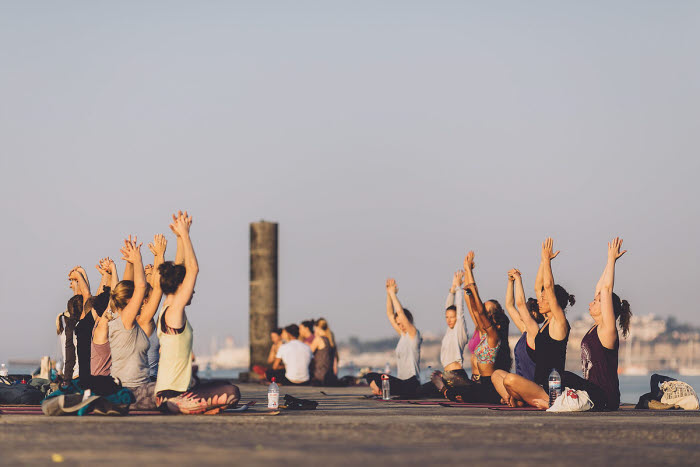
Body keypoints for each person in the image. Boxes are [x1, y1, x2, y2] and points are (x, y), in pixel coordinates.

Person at [155, 211, 240, 414]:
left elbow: (181, 267)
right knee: (232, 392)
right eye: (188, 288)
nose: (192, 291)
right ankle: (184, 406)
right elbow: (192, 269)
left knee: (226, 386)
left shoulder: (167, 306)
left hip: (169, 392)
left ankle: (195, 406)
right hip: (173, 395)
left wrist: (179, 237)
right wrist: (185, 235)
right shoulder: (174, 310)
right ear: (180, 287)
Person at [557, 238, 630, 410]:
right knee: (557, 377)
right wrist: (608, 262)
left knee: (562, 376)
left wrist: (612, 261)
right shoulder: (595, 328)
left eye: (596, 301)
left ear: (607, 308)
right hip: (592, 393)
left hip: (605, 397)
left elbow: (605, 290)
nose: (591, 303)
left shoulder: (607, 330)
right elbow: (600, 288)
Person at [501, 238, 575, 408]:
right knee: (501, 377)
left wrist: (547, 261)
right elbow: (539, 286)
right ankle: (531, 399)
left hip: (552, 388)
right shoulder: (545, 326)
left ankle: (538, 400)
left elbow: (547, 286)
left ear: (554, 301)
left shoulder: (559, 322)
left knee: (510, 379)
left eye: (544, 299)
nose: (539, 301)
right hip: (539, 384)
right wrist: (542, 261)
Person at [431, 252, 512, 404]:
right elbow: (474, 308)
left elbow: (479, 311)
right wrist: (468, 273)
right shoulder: (484, 332)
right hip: (478, 383)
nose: (483, 315)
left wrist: (472, 286)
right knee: (455, 389)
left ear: (495, 318)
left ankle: (447, 391)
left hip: (488, 386)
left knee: (455, 392)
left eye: (488, 313)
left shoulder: (493, 335)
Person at [490, 269, 545, 401]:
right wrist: (510, 282)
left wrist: (519, 279)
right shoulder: (525, 330)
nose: (523, 312)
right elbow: (509, 305)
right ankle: (512, 398)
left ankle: (515, 398)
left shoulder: (534, 331)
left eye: (527, 309)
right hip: (518, 385)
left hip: (532, 387)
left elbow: (520, 305)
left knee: (510, 378)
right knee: (497, 374)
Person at [364, 278, 422, 398]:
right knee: (370, 376)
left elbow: (399, 313)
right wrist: (388, 294)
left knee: (379, 379)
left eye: (402, 323)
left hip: (411, 384)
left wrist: (393, 294)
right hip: (401, 382)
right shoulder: (403, 335)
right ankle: (380, 390)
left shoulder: (414, 335)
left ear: (408, 321)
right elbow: (390, 314)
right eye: (398, 324)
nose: (400, 326)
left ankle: (380, 391)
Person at [418, 271, 470, 396]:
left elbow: (459, 310)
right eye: (447, 317)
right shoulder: (449, 331)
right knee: (420, 391)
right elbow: (448, 306)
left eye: (452, 317)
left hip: (456, 375)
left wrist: (458, 288)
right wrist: (451, 290)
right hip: (446, 376)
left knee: (422, 392)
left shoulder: (459, 331)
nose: (449, 320)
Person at [310, 319, 337, 386]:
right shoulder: (331, 340)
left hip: (319, 376)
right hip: (329, 375)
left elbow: (308, 353)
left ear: (317, 328)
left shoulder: (319, 339)